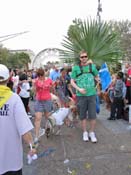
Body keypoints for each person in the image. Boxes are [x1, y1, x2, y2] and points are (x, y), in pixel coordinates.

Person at [0, 64, 36, 175]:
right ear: (8, 78)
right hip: (11, 161)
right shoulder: (14, 99)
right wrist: (32, 146)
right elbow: (24, 129)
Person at [70, 50, 99, 143]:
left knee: (93, 115)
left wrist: (98, 79)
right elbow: (72, 81)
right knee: (82, 115)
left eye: (85, 56)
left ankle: (92, 132)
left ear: (87, 57)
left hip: (92, 95)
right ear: (80, 58)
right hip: (81, 96)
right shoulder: (75, 68)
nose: (84, 58)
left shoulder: (93, 67)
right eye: (82, 57)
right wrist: (79, 89)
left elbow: (96, 77)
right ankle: (85, 132)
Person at [32, 68, 54, 144]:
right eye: (39, 75)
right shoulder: (36, 81)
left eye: (42, 75)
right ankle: (36, 136)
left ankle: (48, 128)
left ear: (44, 74)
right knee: (38, 118)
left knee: (47, 117)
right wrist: (35, 85)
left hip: (47, 100)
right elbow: (34, 91)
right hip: (39, 101)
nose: (40, 77)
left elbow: (52, 90)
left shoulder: (49, 80)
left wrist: (51, 87)